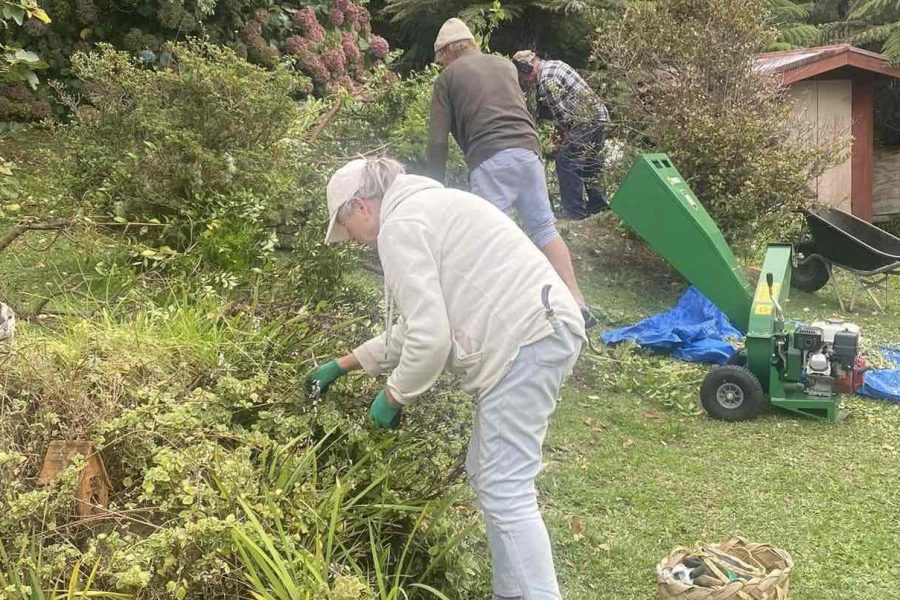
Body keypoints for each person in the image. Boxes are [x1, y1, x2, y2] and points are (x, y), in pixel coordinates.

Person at [307, 155, 586, 600]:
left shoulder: (400, 227)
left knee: (505, 487)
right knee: (489, 474)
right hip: (539, 331)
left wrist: (394, 396)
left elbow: (430, 338)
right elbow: (415, 327)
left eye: (347, 228)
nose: (352, 240)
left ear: (360, 206)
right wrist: (342, 364)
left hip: (524, 339)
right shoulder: (426, 208)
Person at [427, 17, 597, 329]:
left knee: (490, 238)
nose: (442, 65)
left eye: (442, 59)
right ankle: (577, 302)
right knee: (545, 228)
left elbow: (437, 141)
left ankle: (503, 315)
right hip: (528, 151)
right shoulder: (505, 66)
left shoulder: (448, 78)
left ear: (449, 52)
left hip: (490, 157)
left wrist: (433, 191)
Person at [512, 50, 610, 220]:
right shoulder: (555, 64)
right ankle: (599, 207)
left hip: (586, 121)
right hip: (600, 117)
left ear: (526, 68)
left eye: (522, 77)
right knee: (590, 163)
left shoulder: (545, 81)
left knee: (566, 162)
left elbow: (565, 120)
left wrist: (559, 145)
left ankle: (575, 214)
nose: (525, 82)